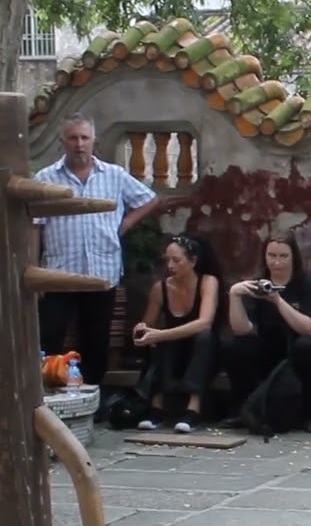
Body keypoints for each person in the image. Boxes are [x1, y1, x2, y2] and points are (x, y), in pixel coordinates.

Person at [33, 112, 162, 386]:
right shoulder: (45, 177)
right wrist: (34, 269)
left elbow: (149, 200)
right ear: (62, 142)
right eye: (73, 138)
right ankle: (48, 394)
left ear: (94, 141)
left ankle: (93, 395)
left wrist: (125, 224)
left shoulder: (113, 175)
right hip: (59, 273)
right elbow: (36, 226)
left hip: (101, 271)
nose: (79, 144)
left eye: (84, 138)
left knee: (96, 338)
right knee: (50, 336)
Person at [222, 234, 311, 433]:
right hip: (269, 346)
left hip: (304, 349)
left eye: (283, 256)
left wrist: (278, 301)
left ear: (293, 257)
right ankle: (243, 409)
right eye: (271, 255)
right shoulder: (257, 285)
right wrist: (235, 296)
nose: (277, 262)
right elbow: (242, 329)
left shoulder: (309, 283)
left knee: (308, 346)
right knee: (236, 347)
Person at [132, 235, 223, 432]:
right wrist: (142, 331)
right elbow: (148, 324)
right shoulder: (161, 288)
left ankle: (193, 408)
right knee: (161, 341)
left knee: (204, 339)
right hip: (174, 349)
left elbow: (204, 323)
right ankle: (156, 407)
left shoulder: (208, 282)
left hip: (201, 349)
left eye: (177, 260)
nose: (170, 265)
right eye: (168, 260)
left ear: (193, 262)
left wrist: (161, 335)